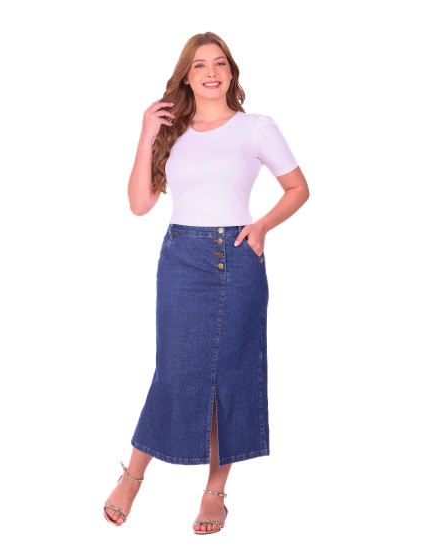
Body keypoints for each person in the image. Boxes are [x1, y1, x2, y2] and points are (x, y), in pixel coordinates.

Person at [103, 31, 309, 535]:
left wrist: (262, 226)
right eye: (199, 65)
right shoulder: (172, 132)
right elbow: (139, 204)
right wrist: (146, 132)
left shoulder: (256, 128)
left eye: (220, 63)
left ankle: (215, 494)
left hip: (237, 257)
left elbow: (298, 188)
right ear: (187, 76)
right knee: (173, 371)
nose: (211, 72)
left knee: (231, 375)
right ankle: (133, 475)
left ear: (231, 72)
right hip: (182, 258)